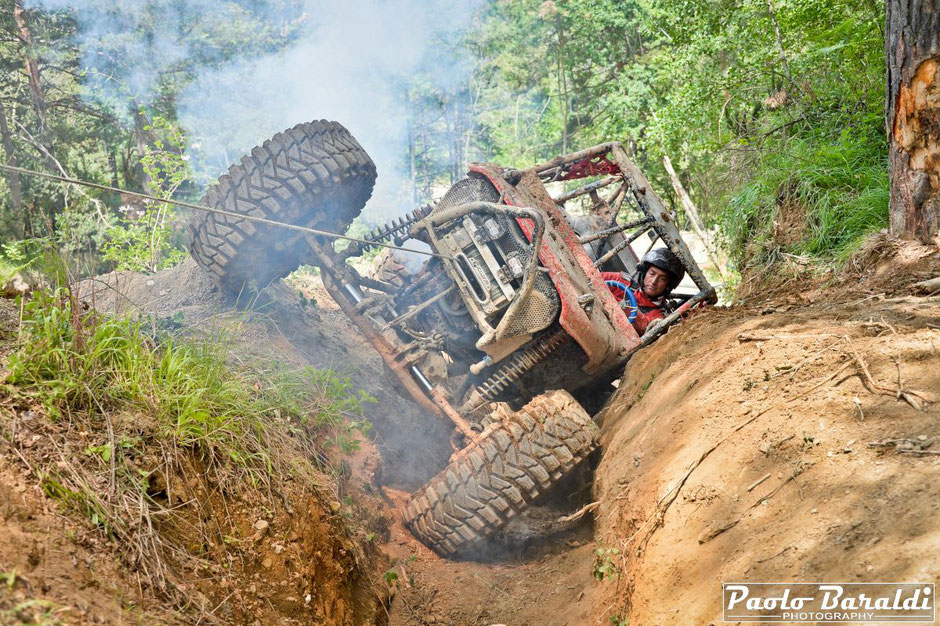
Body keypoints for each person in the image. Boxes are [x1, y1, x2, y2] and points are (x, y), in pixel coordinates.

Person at [601, 248, 685, 336]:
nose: (654, 281)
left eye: (662, 279)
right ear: (644, 273)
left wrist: (616, 304)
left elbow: (645, 327)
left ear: (668, 285)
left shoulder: (658, 316)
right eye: (652, 274)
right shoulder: (621, 281)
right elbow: (590, 278)